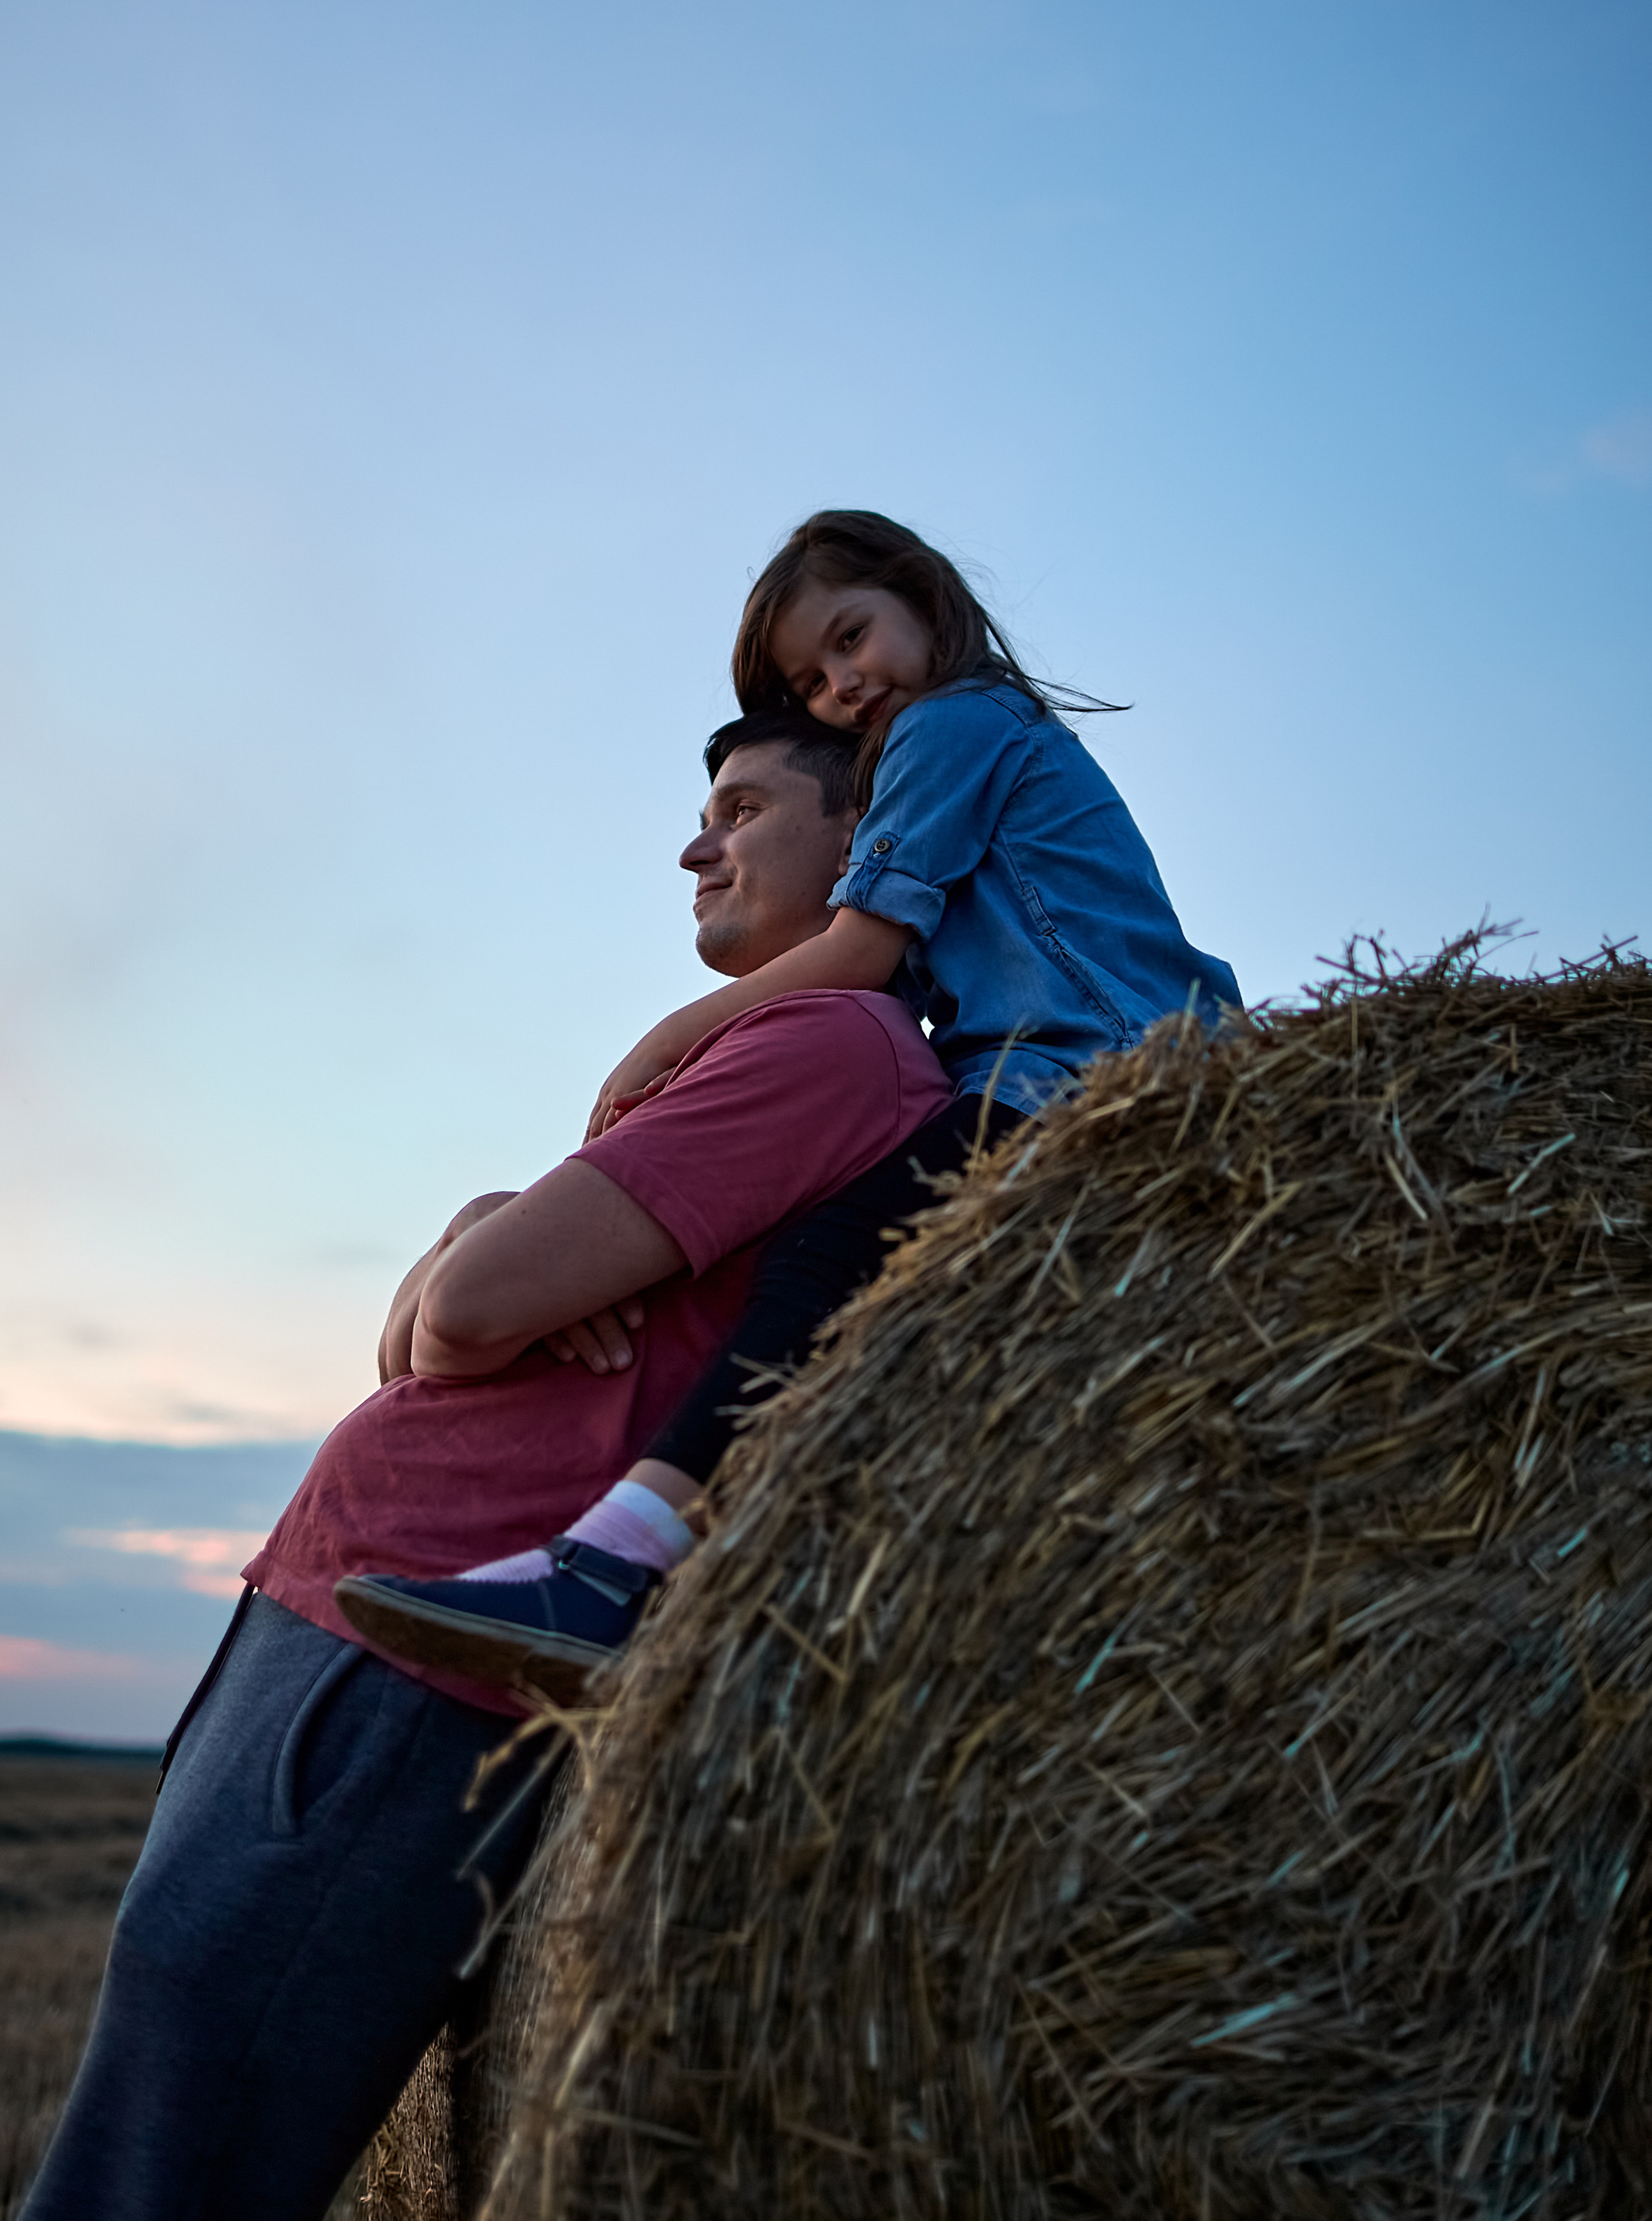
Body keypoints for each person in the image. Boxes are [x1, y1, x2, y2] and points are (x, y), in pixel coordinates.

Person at [0, 708, 955, 2221]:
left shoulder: (830, 1046)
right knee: (160, 2102)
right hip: (351, 1621)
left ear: (871, 848)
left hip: (414, 1662)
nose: (695, 843)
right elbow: (422, 1328)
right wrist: (479, 1219)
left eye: (743, 808)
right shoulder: (769, 1049)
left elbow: (460, 1319)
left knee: (169, 2182)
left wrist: (480, 1257)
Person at [340, 510, 1241, 1696]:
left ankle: (616, 1567)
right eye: (814, 681)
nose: (844, 684)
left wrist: (681, 1026)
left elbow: (861, 951)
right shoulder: (958, 741)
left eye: (852, 638)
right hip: (1075, 1069)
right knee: (841, 1267)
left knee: (826, 1267)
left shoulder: (953, 722)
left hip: (1096, 1069)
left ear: (924, 594)